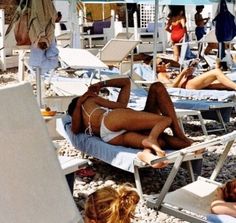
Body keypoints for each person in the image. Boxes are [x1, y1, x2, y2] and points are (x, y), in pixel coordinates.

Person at [67, 78, 192, 168]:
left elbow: (124, 90)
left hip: (111, 136)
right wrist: (100, 84)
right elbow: (125, 83)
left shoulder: (84, 117)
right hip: (113, 120)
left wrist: (100, 85)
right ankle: (174, 138)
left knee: (162, 141)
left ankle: (146, 154)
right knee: (165, 120)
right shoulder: (88, 100)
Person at [157, 61, 236, 90]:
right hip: (188, 84)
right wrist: (182, 73)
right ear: (156, 68)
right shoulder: (161, 75)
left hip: (190, 81)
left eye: (162, 61)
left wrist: (188, 72)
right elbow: (172, 86)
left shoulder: (167, 72)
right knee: (216, 72)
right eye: (160, 63)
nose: (163, 63)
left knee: (221, 84)